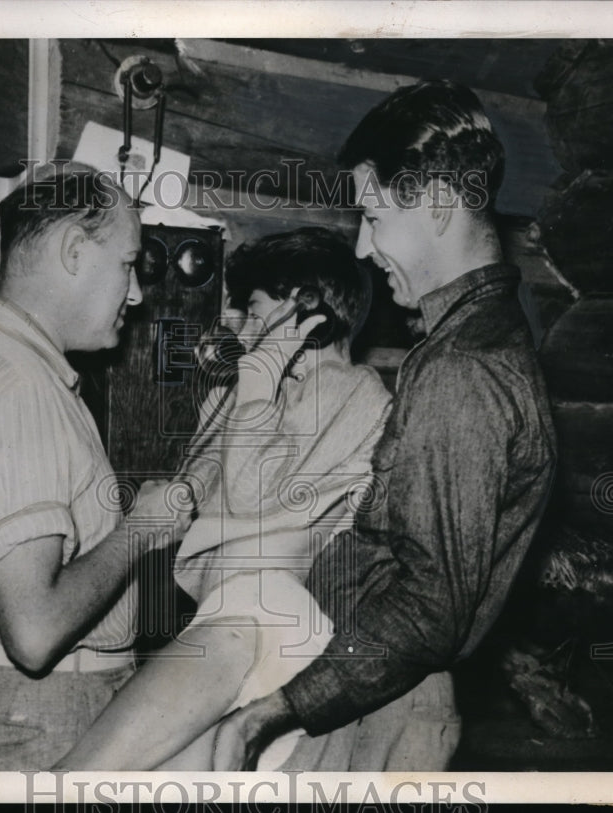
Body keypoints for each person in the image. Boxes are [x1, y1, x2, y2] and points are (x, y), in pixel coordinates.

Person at [212, 79, 558, 771]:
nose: (365, 249)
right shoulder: (467, 341)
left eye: (372, 217)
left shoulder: (464, 369)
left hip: (376, 704)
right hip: (360, 681)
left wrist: (270, 713)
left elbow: (430, 608)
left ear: (433, 203)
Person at [53, 227, 393, 770]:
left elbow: (253, 494)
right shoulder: (259, 390)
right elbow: (197, 487)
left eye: (257, 313)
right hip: (221, 619)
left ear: (306, 313)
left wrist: (256, 385)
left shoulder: (352, 388)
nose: (244, 328)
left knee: (74, 782)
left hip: (263, 622)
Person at [0, 164, 186, 770]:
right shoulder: (21, 390)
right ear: (75, 251)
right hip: (32, 721)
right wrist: (141, 529)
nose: (135, 294)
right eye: (128, 264)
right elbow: (34, 635)